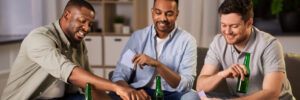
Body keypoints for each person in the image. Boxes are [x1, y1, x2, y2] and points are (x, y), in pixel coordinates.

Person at [1, 0, 139, 100]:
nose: (87, 29)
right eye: (82, 21)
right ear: (67, 15)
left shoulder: (77, 42)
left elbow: (88, 85)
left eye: (90, 24)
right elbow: (70, 73)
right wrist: (116, 87)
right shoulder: (39, 38)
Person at [181, 0, 296, 100]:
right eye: (223, 25)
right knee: (190, 97)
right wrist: (222, 74)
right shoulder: (218, 42)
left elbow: (271, 95)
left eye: (234, 26)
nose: (227, 31)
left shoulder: (269, 45)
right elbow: (201, 87)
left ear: (249, 23)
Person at [110, 0, 197, 100]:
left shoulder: (188, 41)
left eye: (169, 14)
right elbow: (119, 75)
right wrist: (131, 92)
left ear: (177, 14)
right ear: (152, 12)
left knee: (192, 97)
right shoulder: (138, 37)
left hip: (173, 94)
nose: (163, 18)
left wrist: (157, 64)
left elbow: (186, 84)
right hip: (141, 91)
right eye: (158, 13)